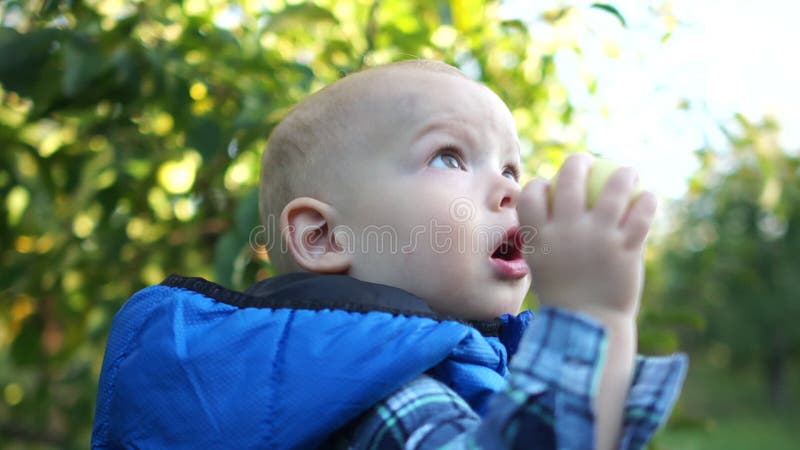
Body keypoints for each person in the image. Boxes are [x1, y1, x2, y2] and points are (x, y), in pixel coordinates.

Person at [91, 60, 686, 450]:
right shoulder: (359, 389)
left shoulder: (431, 363)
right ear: (324, 237)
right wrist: (590, 317)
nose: (512, 190)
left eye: (511, 167)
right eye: (450, 156)